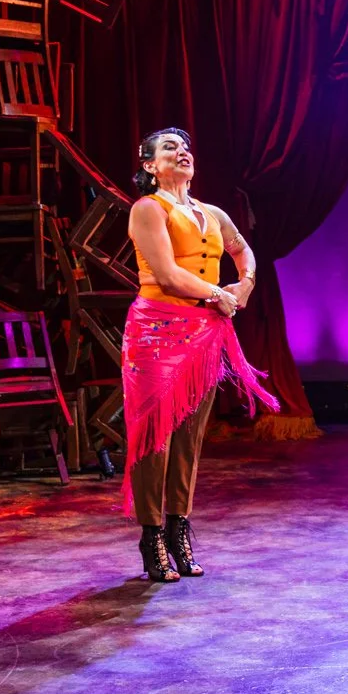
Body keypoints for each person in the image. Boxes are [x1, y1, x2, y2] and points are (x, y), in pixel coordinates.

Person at [122, 128, 277, 581]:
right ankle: (151, 535)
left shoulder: (212, 213)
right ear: (150, 166)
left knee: (189, 438)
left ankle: (178, 529)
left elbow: (243, 251)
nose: (182, 152)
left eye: (185, 147)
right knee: (155, 437)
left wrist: (245, 285)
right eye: (169, 148)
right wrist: (219, 293)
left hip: (205, 331)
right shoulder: (148, 209)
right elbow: (168, 274)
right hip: (156, 330)